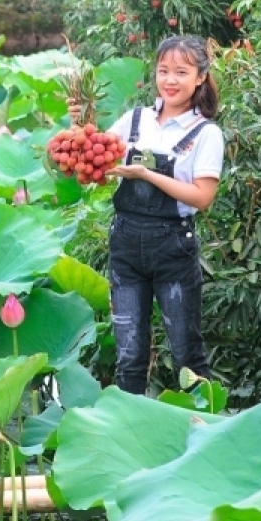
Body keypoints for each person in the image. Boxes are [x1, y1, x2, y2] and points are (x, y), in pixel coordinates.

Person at [68, 35, 224, 395]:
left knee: (187, 355)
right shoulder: (134, 120)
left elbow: (203, 197)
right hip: (125, 246)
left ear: (200, 77)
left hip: (173, 249)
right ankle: (130, 440)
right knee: (129, 357)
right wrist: (79, 126)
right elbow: (94, 159)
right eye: (163, 70)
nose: (170, 80)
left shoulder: (205, 133)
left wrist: (147, 174)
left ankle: (208, 432)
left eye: (181, 72)